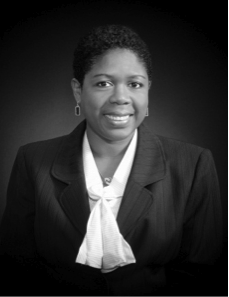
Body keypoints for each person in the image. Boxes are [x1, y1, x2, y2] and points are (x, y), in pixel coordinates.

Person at [0, 24, 223, 296]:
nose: (120, 97)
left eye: (135, 84)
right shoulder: (32, 161)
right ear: (78, 90)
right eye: (103, 83)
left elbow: (203, 274)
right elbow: (17, 267)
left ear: (148, 90)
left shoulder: (194, 165)